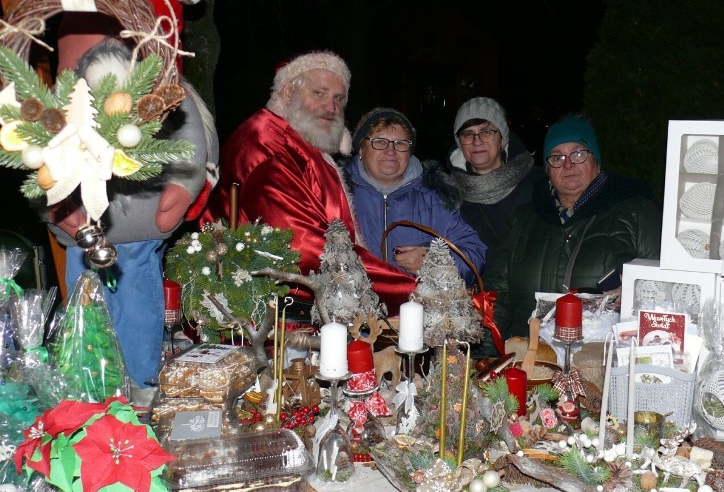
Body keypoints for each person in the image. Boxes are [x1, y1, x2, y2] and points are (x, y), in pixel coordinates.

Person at [199, 51, 416, 315]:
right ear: (288, 92)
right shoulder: (267, 148)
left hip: (304, 311)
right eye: (319, 93)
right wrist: (409, 293)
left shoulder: (300, 142)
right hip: (271, 324)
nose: (331, 106)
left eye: (338, 98)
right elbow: (301, 248)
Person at [483, 114, 662, 344]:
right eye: (557, 157)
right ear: (548, 169)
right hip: (531, 364)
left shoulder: (638, 213)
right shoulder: (523, 220)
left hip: (602, 364)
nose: (568, 164)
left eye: (578, 153)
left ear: (596, 161)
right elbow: (496, 299)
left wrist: (633, 297)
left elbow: (661, 292)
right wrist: (484, 360)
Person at [344, 108, 486, 286]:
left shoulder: (434, 199)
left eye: (401, 143)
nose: (391, 151)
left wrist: (433, 263)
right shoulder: (338, 194)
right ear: (361, 150)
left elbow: (474, 256)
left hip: (419, 311)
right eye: (379, 142)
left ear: (409, 151)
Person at [448, 97, 545, 270]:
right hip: (476, 292)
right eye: (467, 134)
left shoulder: (539, 182)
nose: (477, 141)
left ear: (502, 138)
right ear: (459, 142)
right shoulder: (448, 193)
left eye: (486, 131)